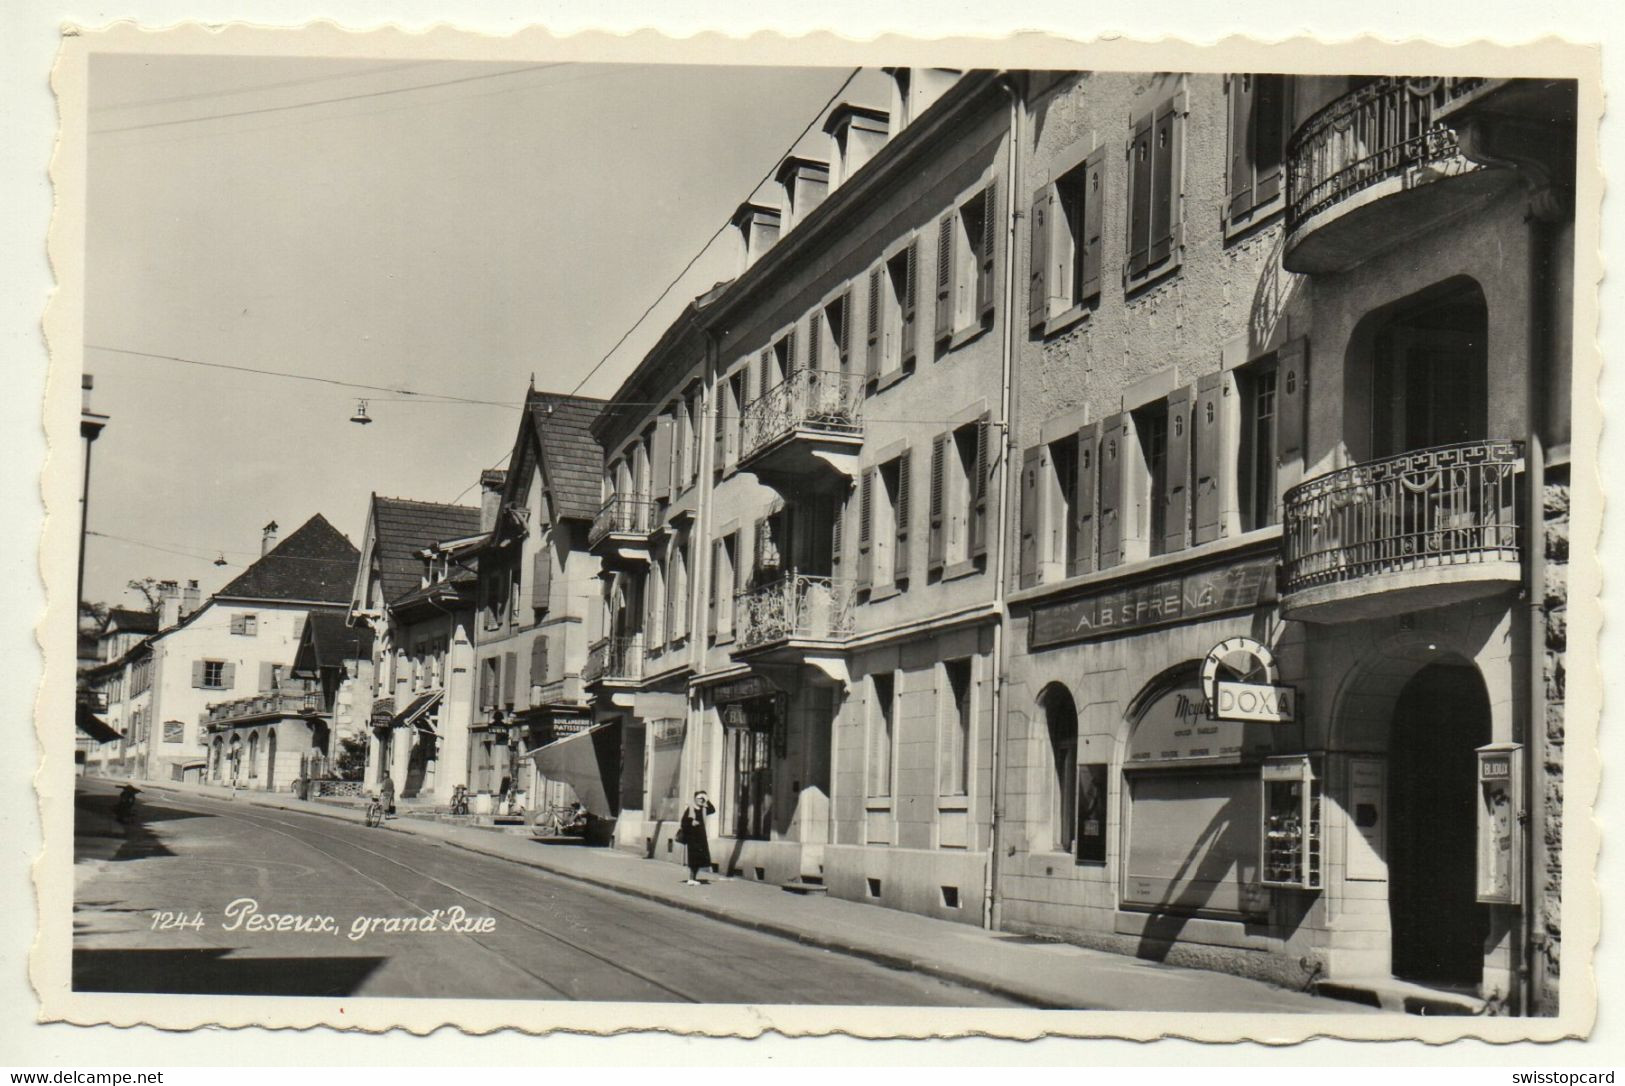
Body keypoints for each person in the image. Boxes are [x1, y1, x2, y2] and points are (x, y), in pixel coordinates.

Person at [678, 790, 717, 885]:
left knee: (700, 858)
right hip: (692, 837)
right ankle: (691, 878)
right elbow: (683, 822)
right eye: (699, 798)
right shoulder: (690, 808)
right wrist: (691, 823)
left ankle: (694, 878)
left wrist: (707, 800)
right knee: (693, 858)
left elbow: (712, 810)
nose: (701, 800)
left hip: (701, 837)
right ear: (695, 799)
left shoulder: (704, 809)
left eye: (703, 798)